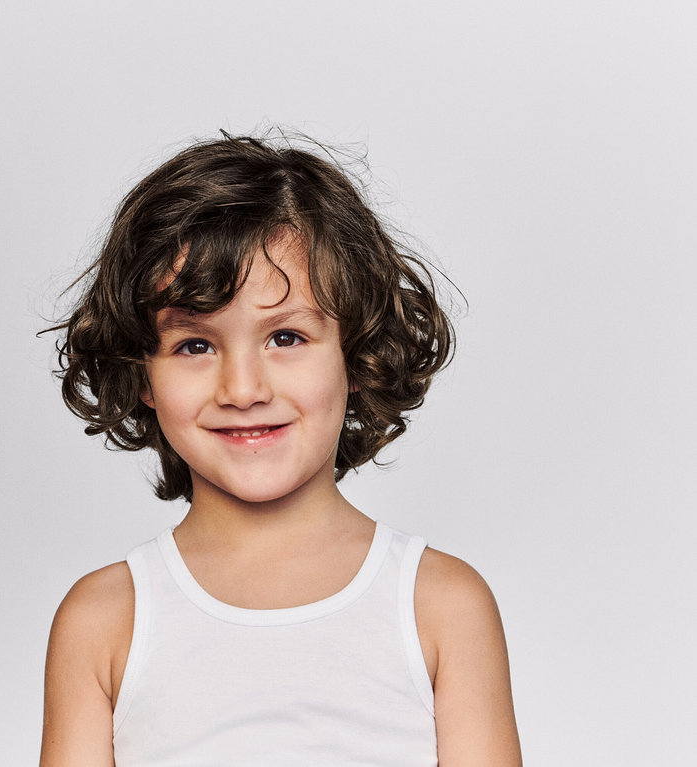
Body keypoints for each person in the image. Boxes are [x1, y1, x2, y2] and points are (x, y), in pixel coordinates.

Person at [39, 132, 522, 766]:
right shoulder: (104, 621)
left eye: (286, 336)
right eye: (195, 346)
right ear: (142, 375)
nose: (243, 389)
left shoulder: (441, 606)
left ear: (357, 352)